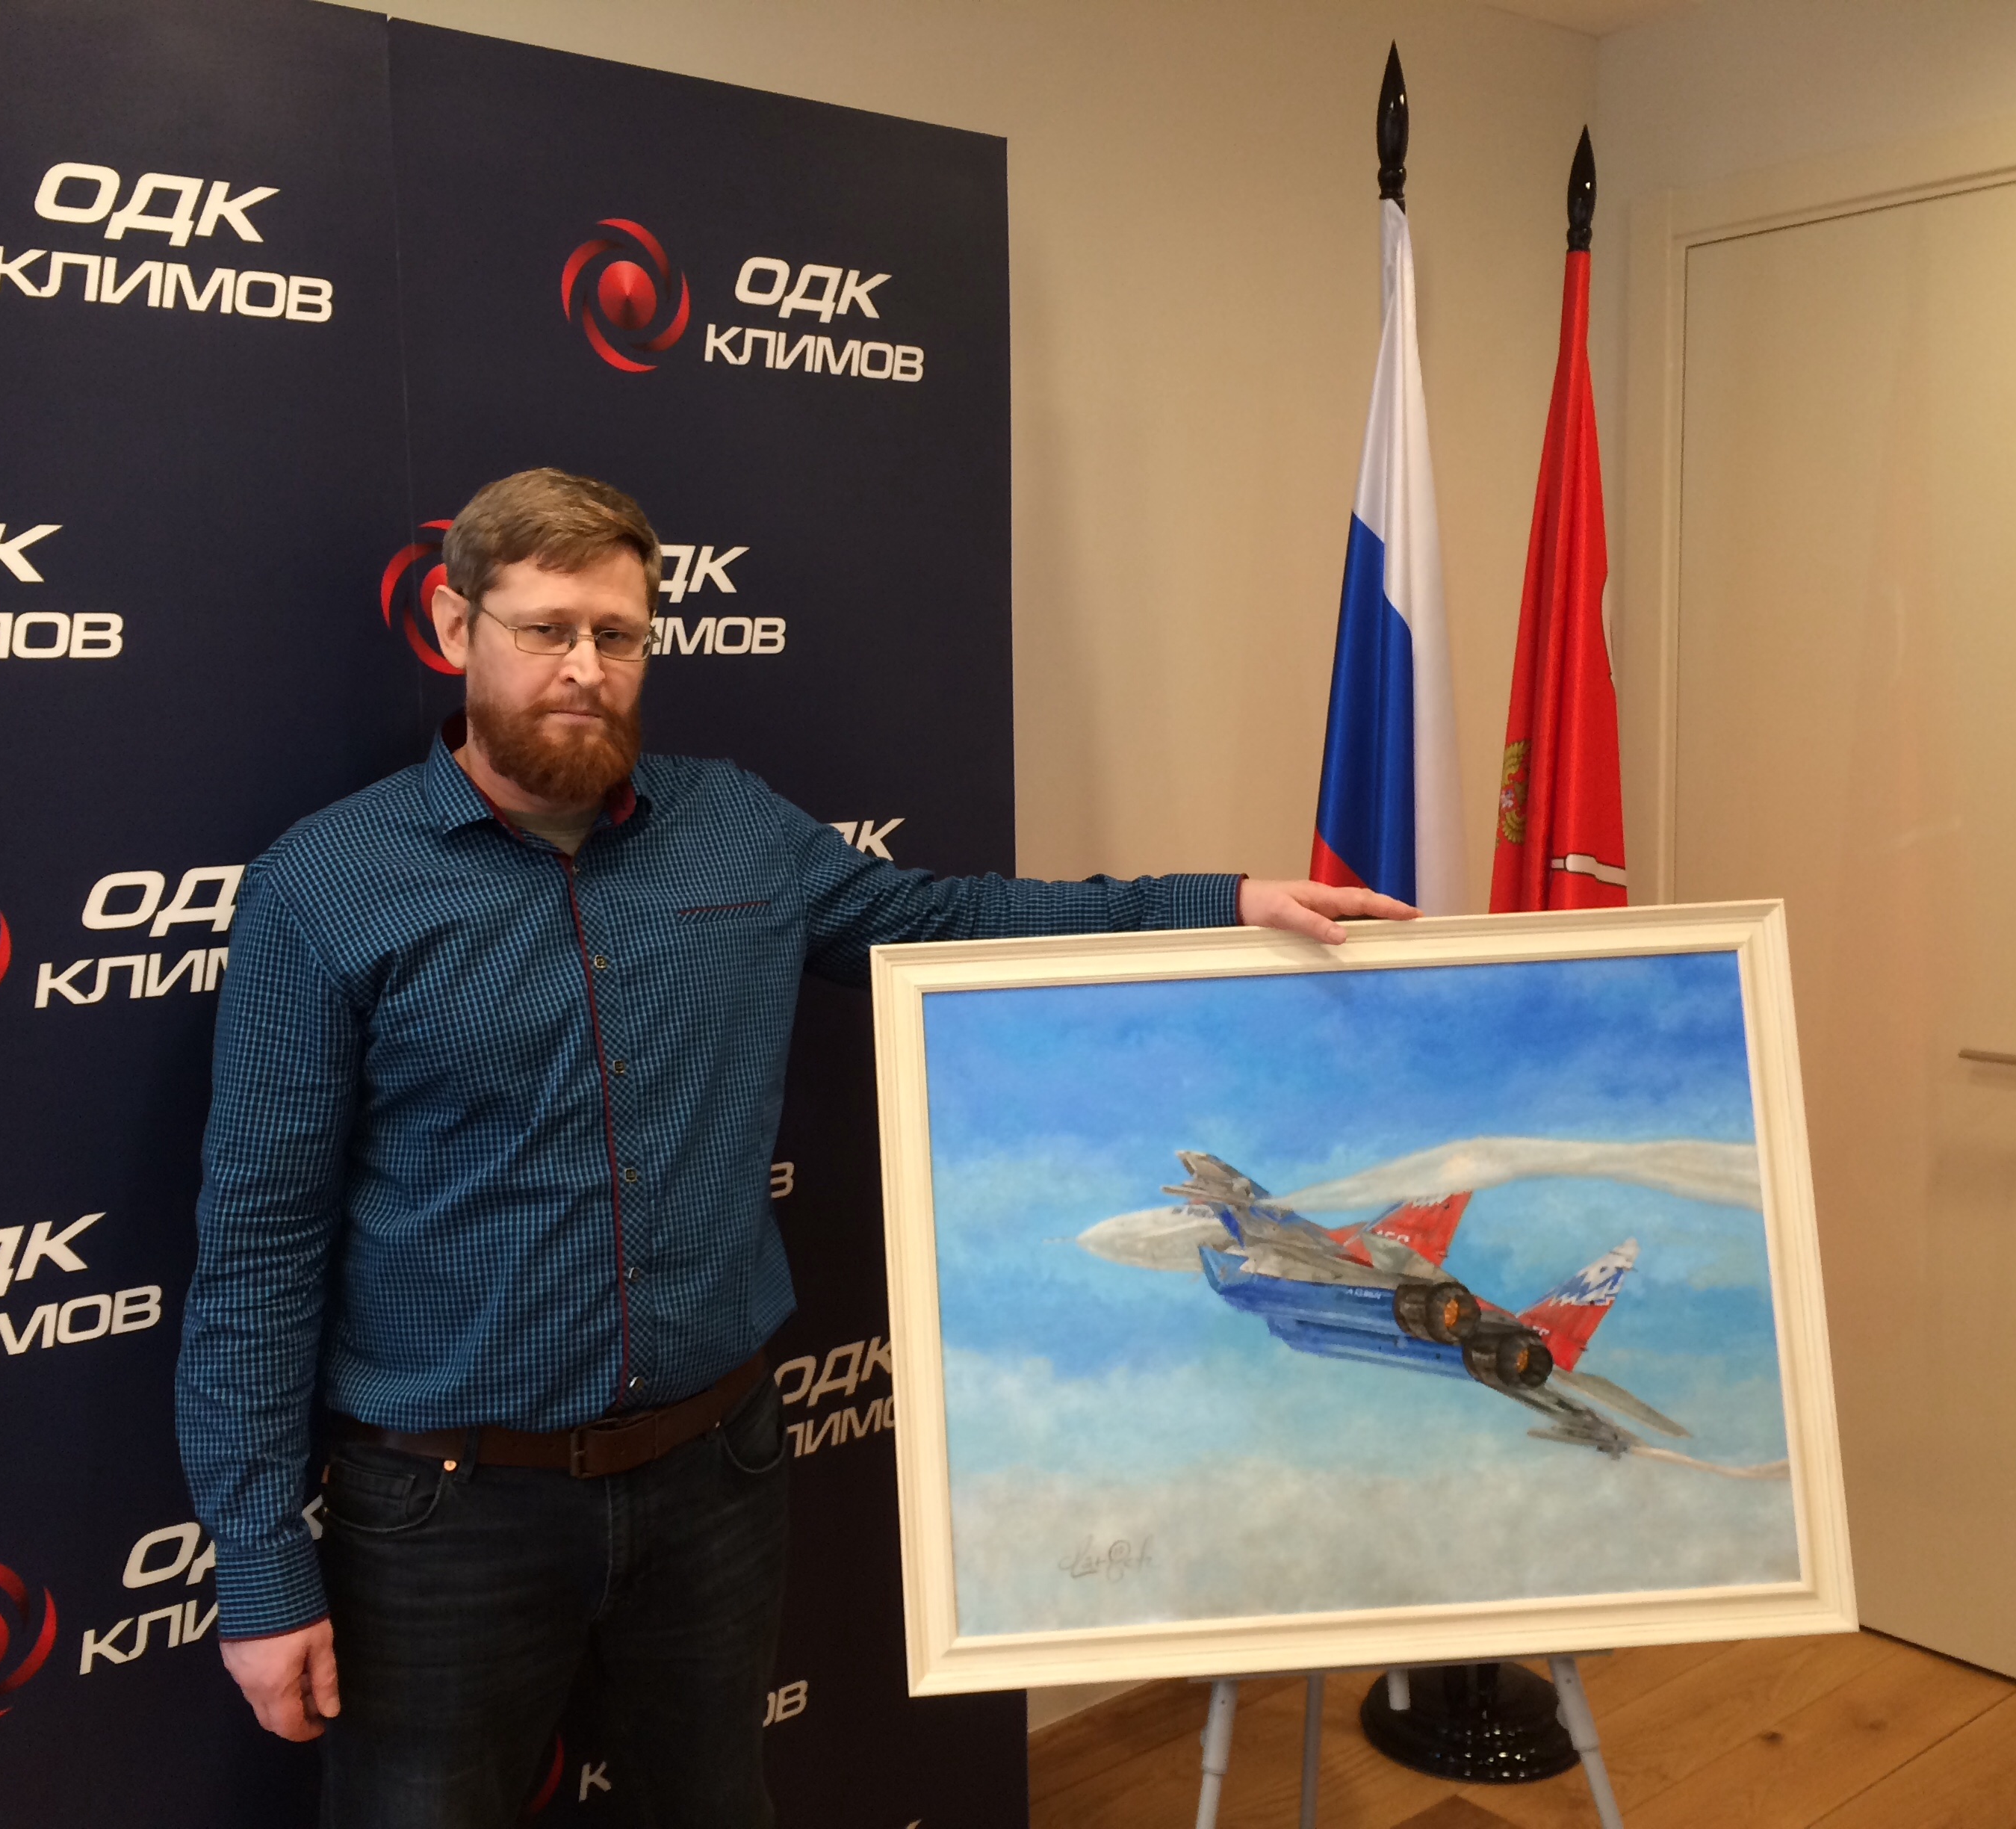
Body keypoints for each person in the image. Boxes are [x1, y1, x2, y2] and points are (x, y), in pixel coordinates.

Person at [174, 468, 1412, 1828]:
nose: (584, 670)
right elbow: (260, 1248)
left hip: (715, 1477)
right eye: (545, 630)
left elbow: (948, 922)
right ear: (454, 623)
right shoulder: (327, 886)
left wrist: (1223, 903)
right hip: (445, 1512)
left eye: (617, 635)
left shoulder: (737, 829)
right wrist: (262, 1569)